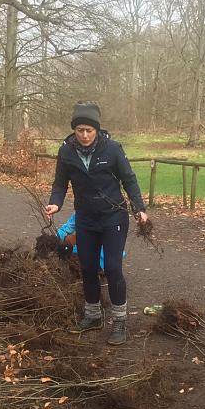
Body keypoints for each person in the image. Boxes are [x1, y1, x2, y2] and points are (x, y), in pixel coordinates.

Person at [44, 101, 148, 345]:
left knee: (112, 268)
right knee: (88, 268)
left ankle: (120, 322)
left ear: (97, 130)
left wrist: (139, 208)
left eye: (89, 130)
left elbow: (129, 180)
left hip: (114, 217)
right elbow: (60, 184)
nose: (85, 135)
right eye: (80, 130)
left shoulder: (112, 149)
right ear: (74, 130)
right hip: (86, 218)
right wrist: (55, 204)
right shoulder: (66, 152)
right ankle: (93, 316)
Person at [57, 211, 126, 270]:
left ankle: (100, 267)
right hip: (89, 246)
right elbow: (66, 229)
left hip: (105, 252)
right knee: (67, 241)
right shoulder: (80, 213)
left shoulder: (107, 215)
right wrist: (55, 239)